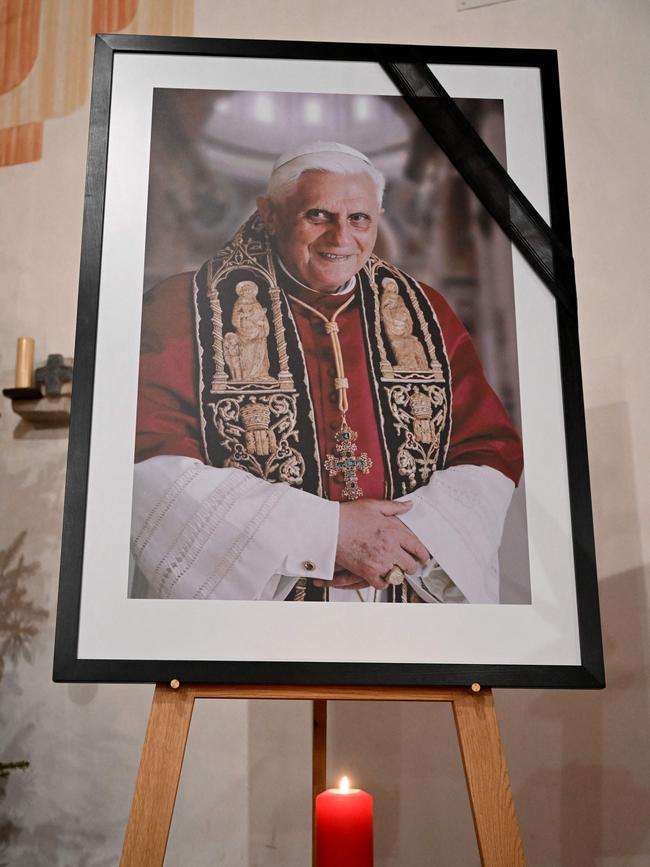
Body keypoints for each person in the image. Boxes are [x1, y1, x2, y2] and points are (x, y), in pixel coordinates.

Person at [130, 141, 523, 603]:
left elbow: (487, 449)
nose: (341, 238)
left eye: (359, 219)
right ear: (270, 214)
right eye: (317, 216)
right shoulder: (185, 308)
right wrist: (324, 535)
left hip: (400, 596)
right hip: (262, 613)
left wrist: (404, 539)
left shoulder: (424, 311)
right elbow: (147, 464)